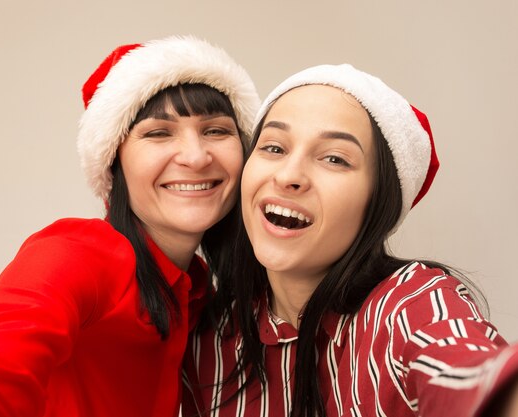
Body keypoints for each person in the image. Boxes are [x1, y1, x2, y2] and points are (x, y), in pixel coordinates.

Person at [0, 36, 260, 417]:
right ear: (114, 165)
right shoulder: (80, 252)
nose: (197, 156)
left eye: (216, 130)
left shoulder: (198, 295)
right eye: (158, 133)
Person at [182, 64, 518, 417]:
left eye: (335, 159)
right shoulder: (210, 336)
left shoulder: (409, 305)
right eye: (274, 148)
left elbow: (467, 369)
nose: (289, 176)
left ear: (378, 203)